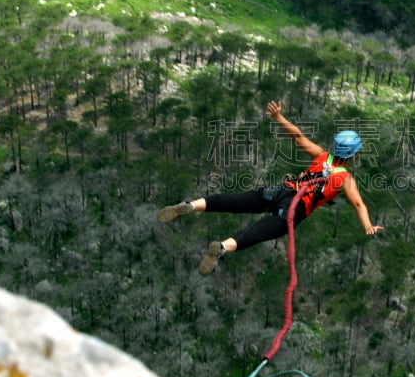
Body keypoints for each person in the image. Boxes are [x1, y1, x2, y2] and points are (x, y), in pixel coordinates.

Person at [157, 100, 383, 275]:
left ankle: (190, 205)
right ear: (354, 154)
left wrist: (278, 116)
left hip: (281, 189)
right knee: (257, 232)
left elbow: (298, 137)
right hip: (294, 209)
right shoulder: (345, 179)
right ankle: (222, 247)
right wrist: (368, 226)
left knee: (235, 201)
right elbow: (358, 204)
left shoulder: (323, 155)